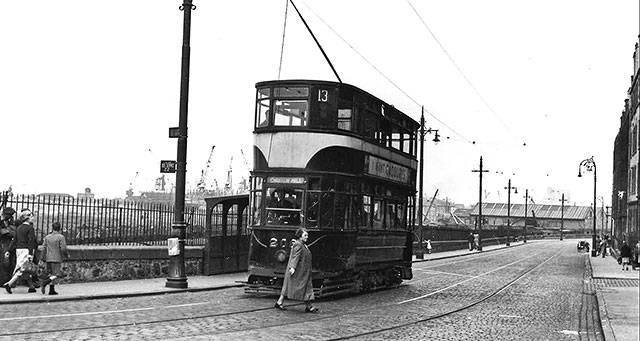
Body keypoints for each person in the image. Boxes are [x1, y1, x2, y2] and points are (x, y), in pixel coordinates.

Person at [275, 227, 318, 313]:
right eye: (305, 235)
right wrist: (293, 267)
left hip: (303, 271)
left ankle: (279, 302)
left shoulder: (302, 244)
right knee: (305, 287)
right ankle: (309, 306)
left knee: (290, 285)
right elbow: (295, 257)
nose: (307, 237)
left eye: (307, 235)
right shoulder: (298, 244)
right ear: (300, 236)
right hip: (300, 271)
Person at [3, 209, 37, 293]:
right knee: (22, 269)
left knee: (25, 268)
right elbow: (31, 241)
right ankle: (9, 284)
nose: (32, 218)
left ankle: (31, 286)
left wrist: (8, 250)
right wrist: (30, 253)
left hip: (19, 249)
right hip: (26, 250)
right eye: (31, 216)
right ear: (27, 218)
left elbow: (14, 240)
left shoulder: (19, 228)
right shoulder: (30, 228)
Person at [40, 222, 69, 295]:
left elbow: (43, 248)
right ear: (59, 228)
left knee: (50, 273)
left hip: (48, 257)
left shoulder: (47, 237)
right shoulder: (61, 237)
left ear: (52, 228)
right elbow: (63, 248)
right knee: (56, 274)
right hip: (57, 257)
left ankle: (51, 290)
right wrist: (66, 255)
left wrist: (41, 258)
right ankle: (45, 282)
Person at [0, 207, 16, 286]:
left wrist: (9, 229)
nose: (11, 217)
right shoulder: (1, 222)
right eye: (10, 215)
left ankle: (10, 281)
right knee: (5, 263)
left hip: (11, 244)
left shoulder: (11, 223)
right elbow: (4, 232)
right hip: (4, 244)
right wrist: (10, 230)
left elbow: (15, 232)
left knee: (12, 263)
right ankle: (3, 281)